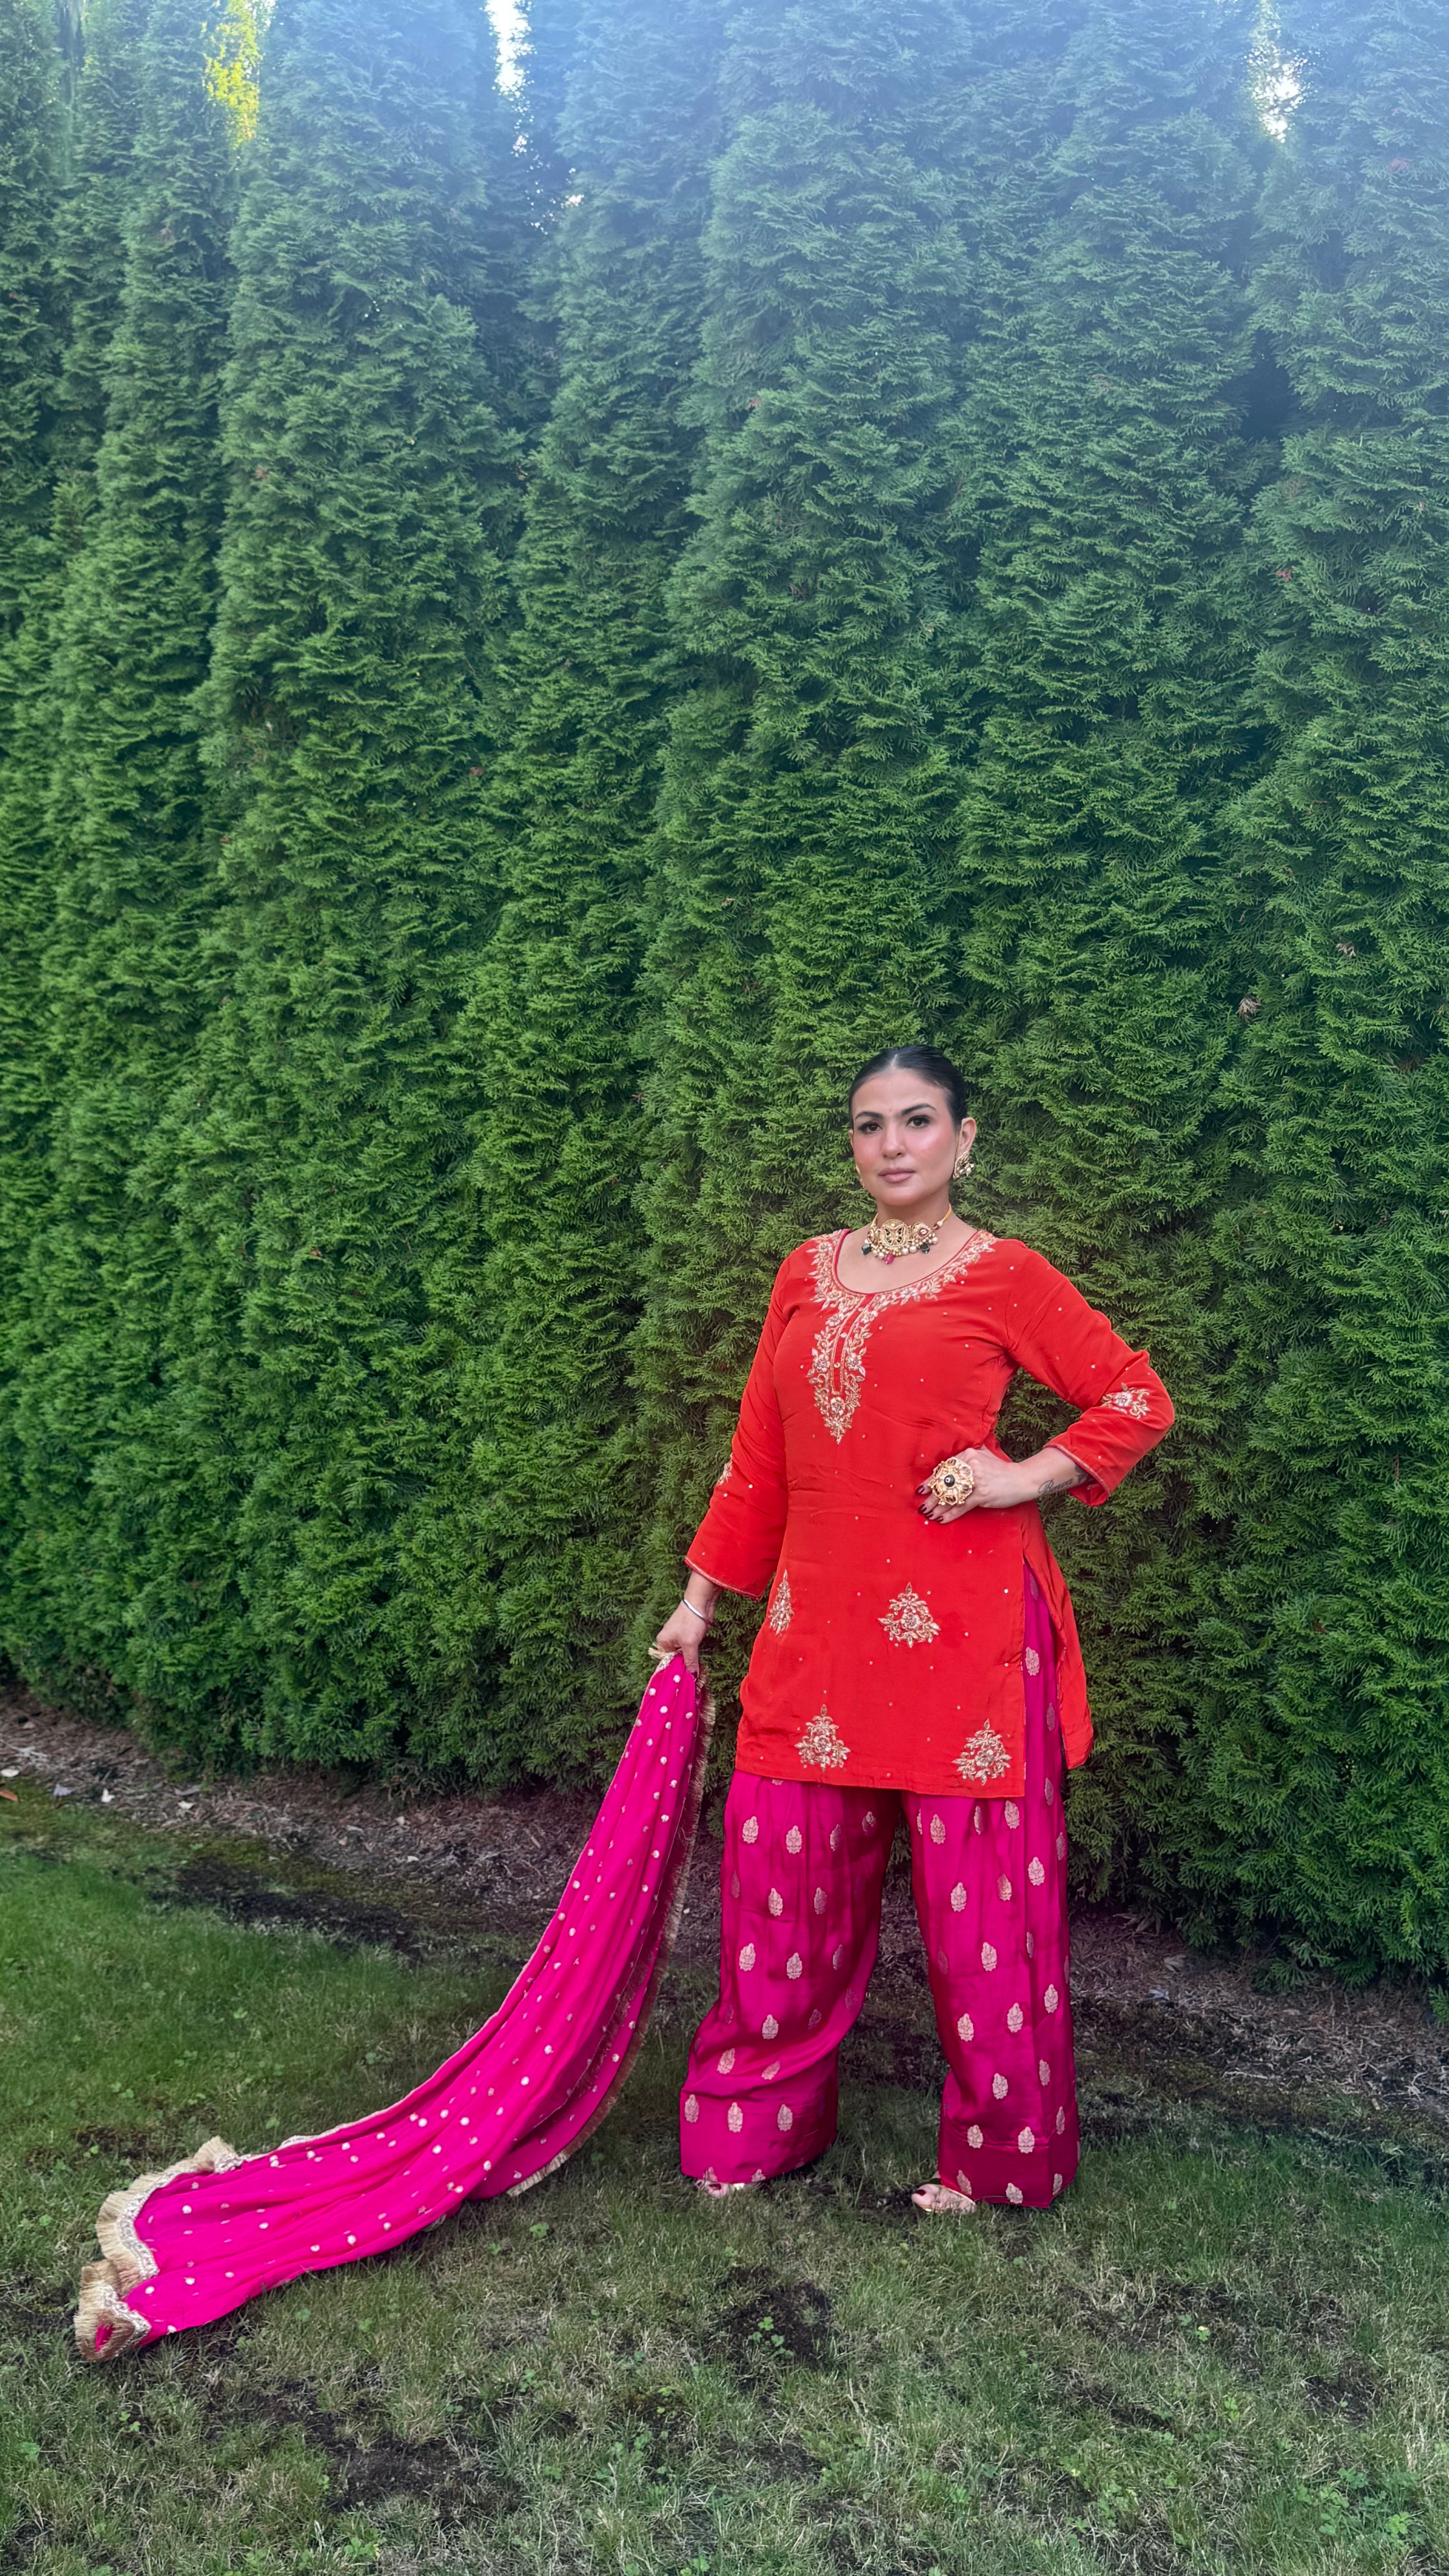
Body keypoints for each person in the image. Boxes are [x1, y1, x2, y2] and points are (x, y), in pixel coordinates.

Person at [652, 1045, 1173, 2213]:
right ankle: (751, 2131)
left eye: (919, 1120)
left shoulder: (1006, 1274)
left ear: (964, 1138)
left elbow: (1136, 1398)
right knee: (780, 1889)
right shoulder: (804, 1270)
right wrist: (698, 1602)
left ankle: (1002, 2159)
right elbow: (760, 1454)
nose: (892, 1144)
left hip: (967, 1635)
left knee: (985, 1912)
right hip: (817, 1630)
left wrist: (1019, 1478)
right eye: (869, 1124)